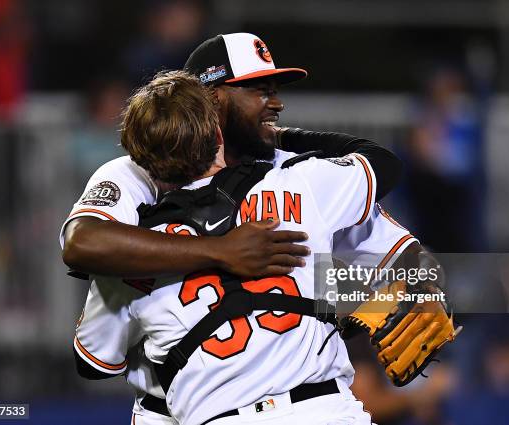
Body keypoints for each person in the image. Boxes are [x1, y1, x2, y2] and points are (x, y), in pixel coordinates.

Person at [63, 33, 411, 424]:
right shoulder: (299, 182)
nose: (276, 102)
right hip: (319, 409)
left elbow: (94, 363)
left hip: (210, 410)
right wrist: (223, 252)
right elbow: (382, 166)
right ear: (211, 103)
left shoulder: (132, 254)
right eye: (259, 90)